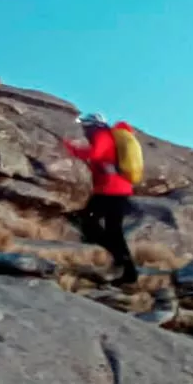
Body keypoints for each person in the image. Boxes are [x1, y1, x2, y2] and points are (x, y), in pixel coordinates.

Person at [62, 112, 139, 285]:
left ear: (92, 126)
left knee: (92, 222)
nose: (83, 130)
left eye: (85, 126)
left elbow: (95, 154)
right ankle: (125, 269)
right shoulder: (104, 135)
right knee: (108, 228)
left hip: (111, 190)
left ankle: (120, 262)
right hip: (114, 189)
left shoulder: (101, 135)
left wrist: (73, 149)